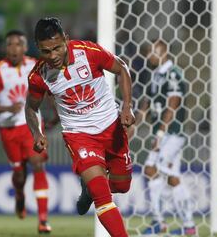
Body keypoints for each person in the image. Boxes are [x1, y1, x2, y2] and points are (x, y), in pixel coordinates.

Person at [25, 17, 135, 237]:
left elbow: (121, 68)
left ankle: (89, 189)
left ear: (66, 39)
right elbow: (30, 108)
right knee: (103, 197)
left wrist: (127, 107)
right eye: (46, 51)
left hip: (111, 126)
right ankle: (94, 188)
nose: (53, 56)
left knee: (122, 186)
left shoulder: (88, 52)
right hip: (79, 135)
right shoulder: (38, 76)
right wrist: (37, 133)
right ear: (38, 48)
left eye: (57, 48)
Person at [0, 30, 51, 234]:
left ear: (25, 46)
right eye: (9, 45)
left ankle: (43, 220)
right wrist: (6, 109)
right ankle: (19, 194)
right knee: (19, 175)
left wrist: (56, 113)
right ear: (5, 48)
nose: (13, 49)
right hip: (8, 129)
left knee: (38, 164)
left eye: (18, 44)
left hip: (31, 125)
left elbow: (50, 89)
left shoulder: (36, 65)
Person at [134, 40, 196, 235]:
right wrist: (135, 122)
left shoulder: (173, 73)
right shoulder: (156, 75)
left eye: (150, 52)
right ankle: (186, 226)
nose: (148, 56)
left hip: (172, 133)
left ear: (162, 51)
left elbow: (173, 104)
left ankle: (159, 222)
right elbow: (147, 101)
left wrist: (160, 134)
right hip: (162, 132)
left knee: (152, 169)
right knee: (169, 176)